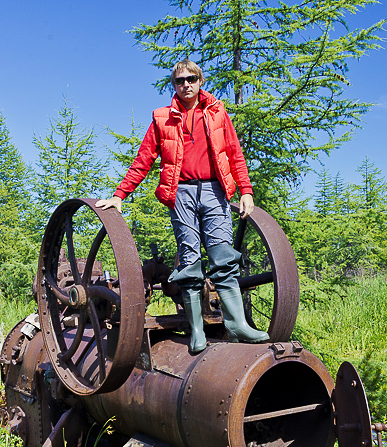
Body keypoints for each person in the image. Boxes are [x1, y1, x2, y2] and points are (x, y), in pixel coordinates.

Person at [96, 59, 268, 353]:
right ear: (173, 85)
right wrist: (119, 195)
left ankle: (237, 324)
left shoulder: (217, 113)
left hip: (215, 190)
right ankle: (197, 331)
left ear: (201, 81)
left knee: (223, 256)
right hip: (182, 193)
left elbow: (234, 154)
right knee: (189, 260)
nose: (186, 84)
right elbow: (144, 159)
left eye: (191, 79)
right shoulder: (162, 118)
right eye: (179, 80)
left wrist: (246, 190)